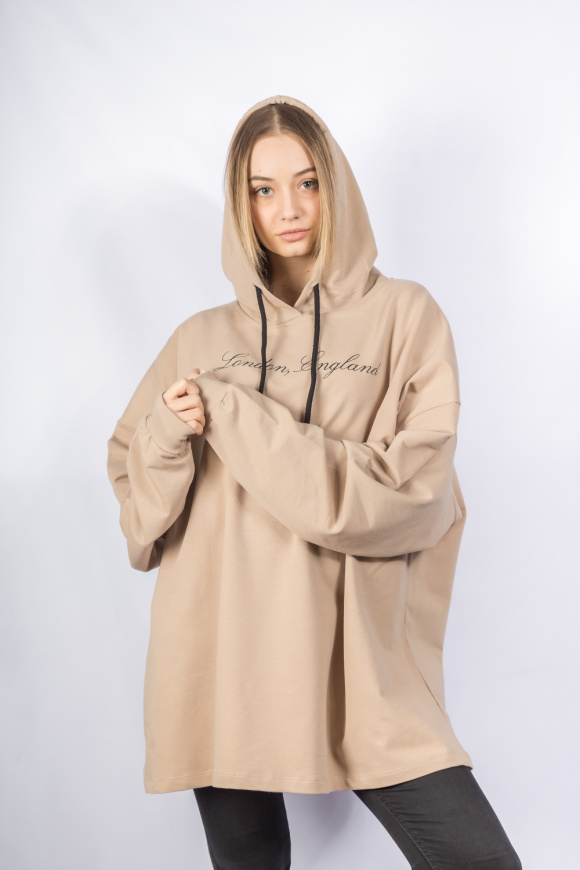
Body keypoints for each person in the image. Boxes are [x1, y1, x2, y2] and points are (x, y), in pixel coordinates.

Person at [106, 95, 522, 869]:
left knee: (479, 862)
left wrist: (233, 413)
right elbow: (140, 517)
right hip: (219, 652)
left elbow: (414, 492)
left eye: (307, 182)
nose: (289, 209)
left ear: (337, 186)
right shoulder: (199, 338)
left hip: (356, 661)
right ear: (241, 206)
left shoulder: (405, 316)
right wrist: (166, 430)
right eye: (262, 190)